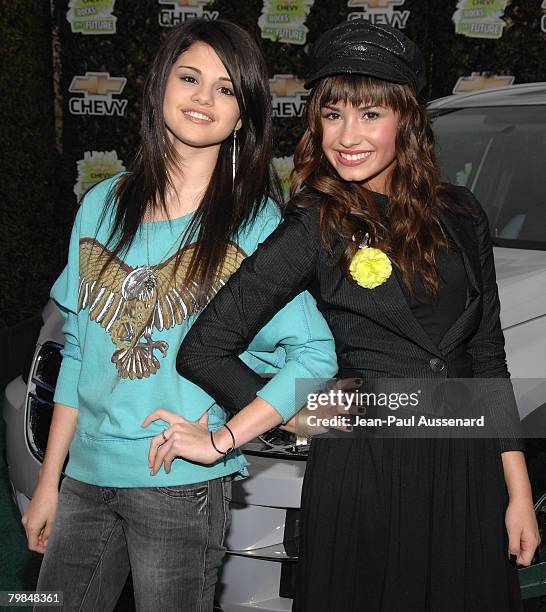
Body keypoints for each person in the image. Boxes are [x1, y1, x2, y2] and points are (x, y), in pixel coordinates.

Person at [170, 20, 540, 612]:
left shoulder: (463, 214)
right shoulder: (314, 225)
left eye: (370, 115)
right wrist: (295, 418)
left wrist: (516, 491)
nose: (348, 135)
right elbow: (205, 346)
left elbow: (487, 354)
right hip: (368, 469)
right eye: (333, 113)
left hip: (465, 469)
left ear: (406, 121)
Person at [21, 19, 337, 612]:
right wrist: (50, 484)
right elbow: (80, 354)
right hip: (85, 480)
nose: (203, 98)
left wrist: (222, 440)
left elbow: (315, 356)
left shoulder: (256, 227)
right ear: (161, 85)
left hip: (179, 490)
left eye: (226, 88)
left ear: (243, 115)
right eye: (190, 78)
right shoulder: (101, 205)